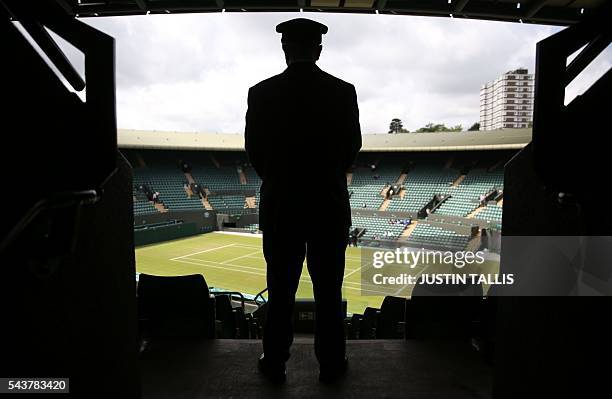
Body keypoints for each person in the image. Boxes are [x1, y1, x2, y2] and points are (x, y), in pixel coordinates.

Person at [244, 18, 362, 384]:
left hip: (281, 206)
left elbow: (255, 151)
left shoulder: (261, 92)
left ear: (285, 49)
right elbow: (351, 149)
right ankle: (331, 362)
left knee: (280, 290)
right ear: (319, 50)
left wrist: (282, 180)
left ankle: (276, 361)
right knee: (329, 291)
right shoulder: (343, 91)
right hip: (328, 205)